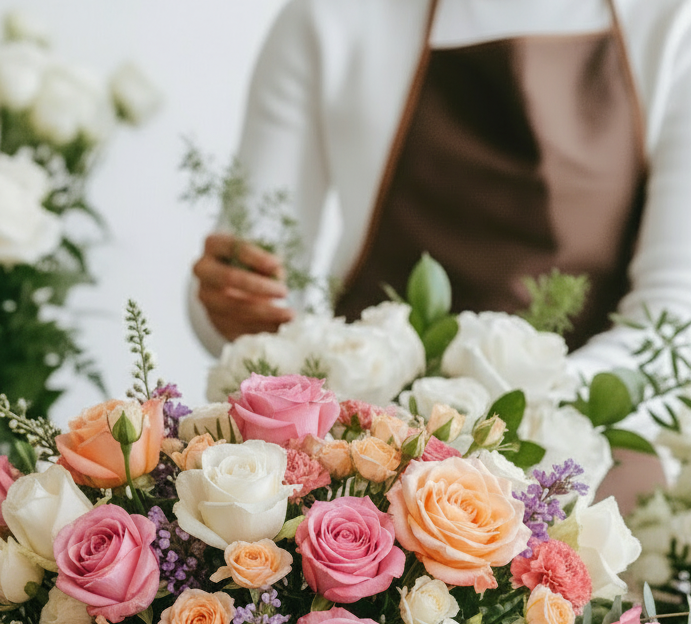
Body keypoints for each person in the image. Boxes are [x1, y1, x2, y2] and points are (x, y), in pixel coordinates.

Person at [190, 0, 691, 388]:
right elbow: (252, 289)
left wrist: (528, 420)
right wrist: (228, 307)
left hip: (596, 455)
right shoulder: (332, 17)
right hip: (371, 453)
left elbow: (673, 322)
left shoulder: (672, 22)